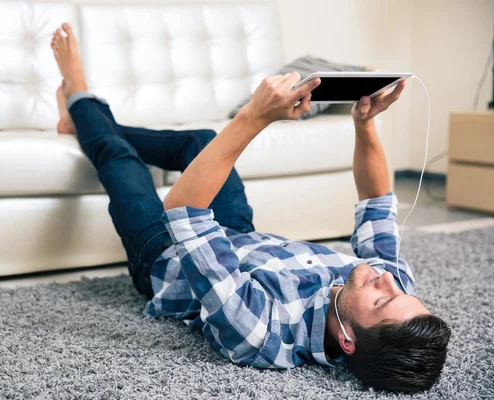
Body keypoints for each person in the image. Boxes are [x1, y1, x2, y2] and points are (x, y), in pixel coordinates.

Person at [50, 23, 451, 393]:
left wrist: (255, 116)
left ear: (347, 339)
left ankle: (80, 97)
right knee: (201, 141)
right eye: (397, 289)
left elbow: (182, 210)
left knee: (120, 160)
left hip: (163, 255)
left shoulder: (262, 332)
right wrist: (365, 125)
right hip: (237, 233)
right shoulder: (393, 291)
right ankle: (84, 124)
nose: (386, 280)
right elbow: (376, 205)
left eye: (381, 300)